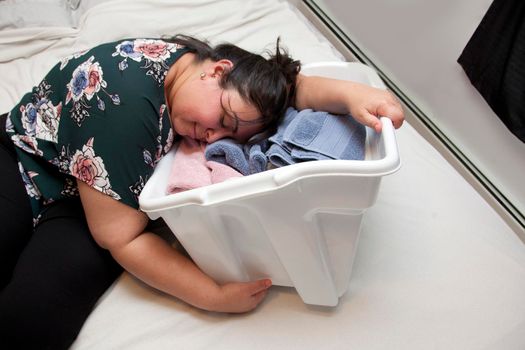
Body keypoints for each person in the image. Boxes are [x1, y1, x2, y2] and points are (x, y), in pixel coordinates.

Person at [0, 34, 404, 348]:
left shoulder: (202, 70)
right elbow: (119, 237)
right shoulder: (124, 105)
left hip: (86, 203)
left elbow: (280, 87)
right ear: (218, 71)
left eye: (232, 133)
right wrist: (208, 294)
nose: (212, 137)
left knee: (33, 320)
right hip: (22, 161)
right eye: (223, 119)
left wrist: (358, 95)